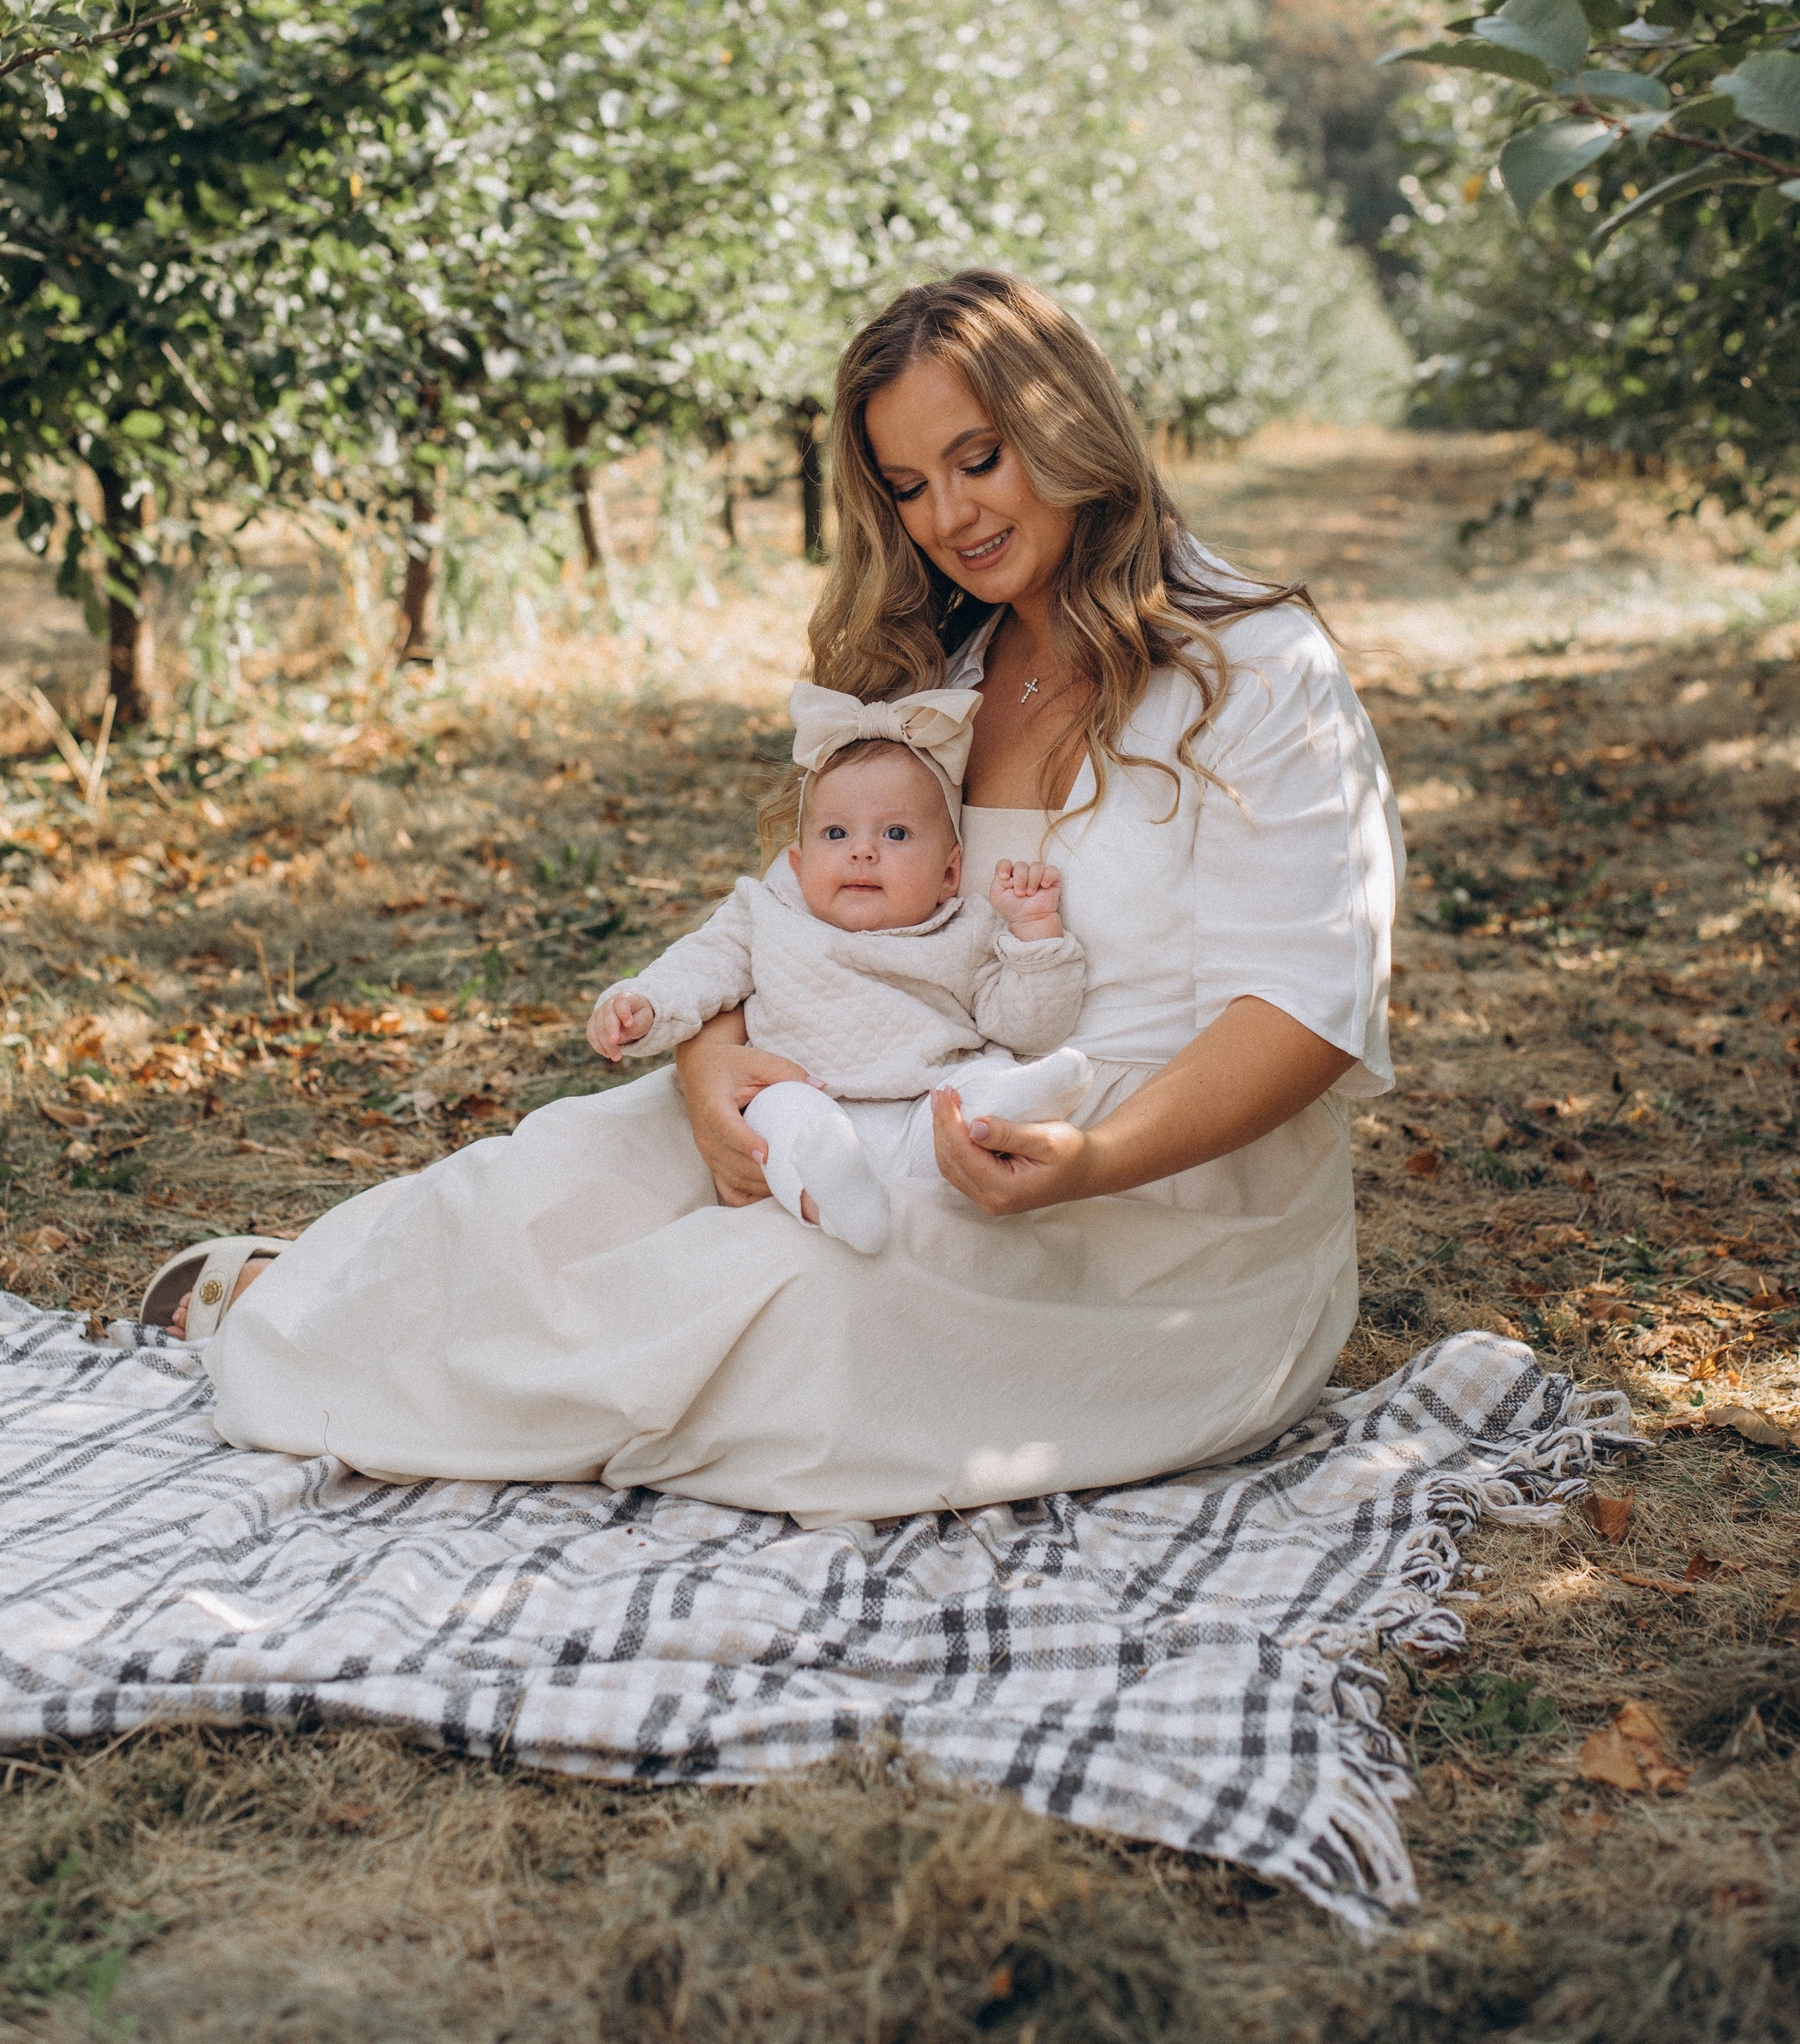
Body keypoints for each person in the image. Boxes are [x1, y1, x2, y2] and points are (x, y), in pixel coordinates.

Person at [173, 269, 1403, 1528]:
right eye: (911, 486)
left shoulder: (1251, 667)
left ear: (1065, 420)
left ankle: (389, 1358)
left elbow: (1304, 1009)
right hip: (884, 1088)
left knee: (790, 1294)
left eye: (980, 458)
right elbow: (793, 910)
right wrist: (715, 1061)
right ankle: (304, 1300)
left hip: (1154, 1207)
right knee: (562, 1170)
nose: (951, 516)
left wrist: (1090, 1162)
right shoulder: (949, 673)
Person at [588, 686, 1091, 1253]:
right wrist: (646, 1003)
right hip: (808, 1090)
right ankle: (836, 1195)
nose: (863, 851)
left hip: (927, 1105)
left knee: (972, 1089)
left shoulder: (967, 927)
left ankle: (1005, 1108)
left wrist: (1034, 934)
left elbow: (1024, 1027)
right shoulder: (770, 911)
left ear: (950, 874)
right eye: (836, 834)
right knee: (783, 1117)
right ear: (797, 867)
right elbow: (702, 965)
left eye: (896, 834)